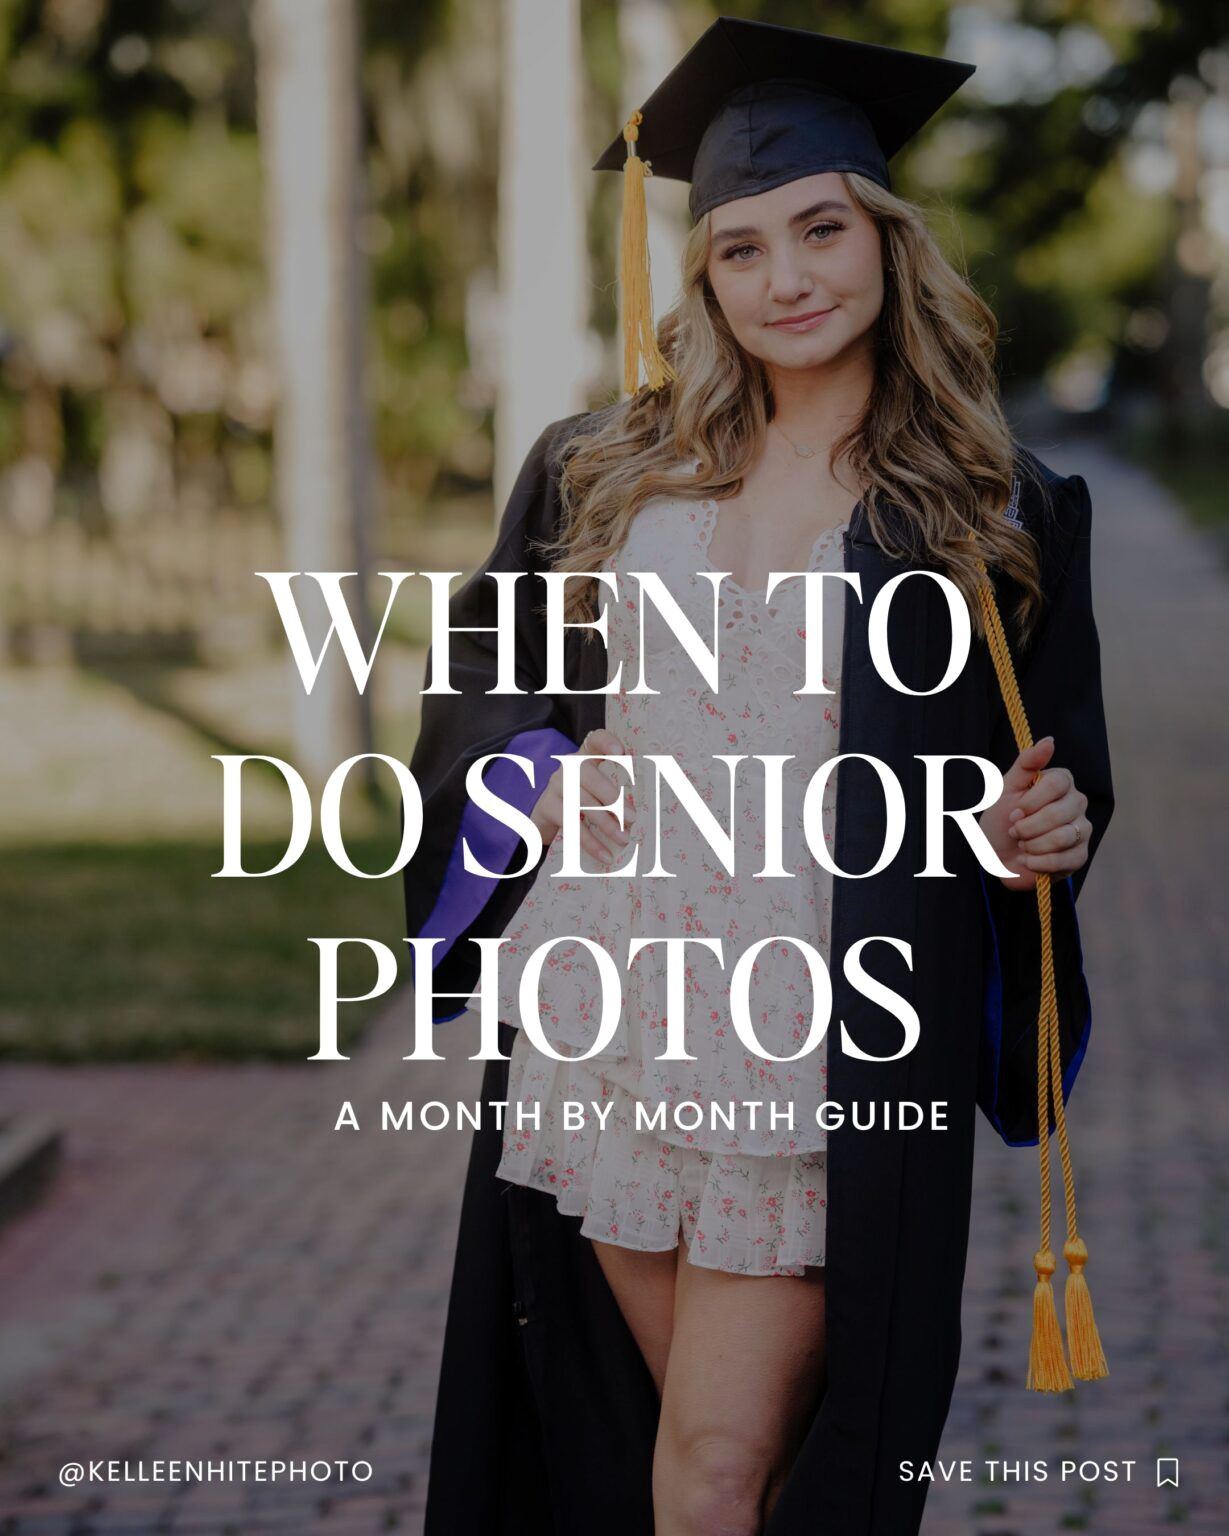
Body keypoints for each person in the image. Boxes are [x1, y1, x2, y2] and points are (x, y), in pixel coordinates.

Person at [402, 18, 1113, 1536]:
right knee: (692, 1453)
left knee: (720, 1465)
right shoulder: (606, 466)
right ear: (699, 278)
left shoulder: (995, 509)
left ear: (887, 240)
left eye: (820, 230)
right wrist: (535, 769)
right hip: (610, 1016)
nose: (786, 278)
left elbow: (1057, 775)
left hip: (814, 1042)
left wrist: (1044, 826)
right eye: (738, 249)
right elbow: (483, 683)